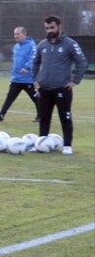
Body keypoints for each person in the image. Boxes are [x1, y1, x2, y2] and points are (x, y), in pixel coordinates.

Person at [32, 15, 87, 156]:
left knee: (65, 116)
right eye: (46, 28)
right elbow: (35, 62)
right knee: (44, 116)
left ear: (59, 26)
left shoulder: (70, 44)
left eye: (52, 27)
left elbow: (81, 61)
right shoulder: (42, 44)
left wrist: (75, 80)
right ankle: (41, 142)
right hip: (44, 88)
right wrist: (35, 79)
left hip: (62, 88)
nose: (49, 30)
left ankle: (67, 145)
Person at [0, 26, 39, 123]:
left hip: (28, 78)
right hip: (16, 78)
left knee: (35, 98)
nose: (15, 36)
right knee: (10, 97)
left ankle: (41, 116)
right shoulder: (16, 46)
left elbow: (34, 57)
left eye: (17, 34)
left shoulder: (31, 45)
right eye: (14, 34)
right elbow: (15, 62)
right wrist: (13, 75)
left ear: (24, 34)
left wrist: (27, 67)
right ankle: (1, 114)